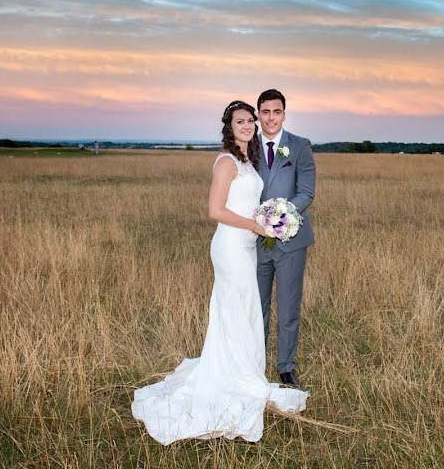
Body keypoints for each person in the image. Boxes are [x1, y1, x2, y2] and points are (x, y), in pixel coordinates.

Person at [131, 101, 308, 444]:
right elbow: (215, 210)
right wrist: (256, 226)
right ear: (229, 127)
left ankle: (245, 372)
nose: (247, 125)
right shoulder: (227, 161)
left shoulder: (247, 160)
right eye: (240, 121)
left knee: (244, 310)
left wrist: (272, 217)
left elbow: (247, 202)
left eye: (250, 121)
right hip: (230, 246)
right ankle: (232, 377)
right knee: (234, 308)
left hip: (245, 245)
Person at [255, 89, 316, 388]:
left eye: (276, 112)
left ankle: (286, 367)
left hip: (291, 240)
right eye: (265, 112)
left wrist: (281, 217)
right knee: (256, 305)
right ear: (258, 115)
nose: (270, 118)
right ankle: (255, 361)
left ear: (284, 114)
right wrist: (258, 223)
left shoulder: (300, 146)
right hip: (253, 240)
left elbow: (307, 191)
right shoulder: (246, 146)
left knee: (289, 305)